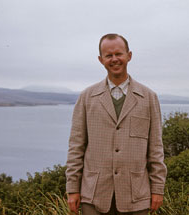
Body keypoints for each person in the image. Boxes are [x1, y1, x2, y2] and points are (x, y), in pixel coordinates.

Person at [66, 33, 167, 215]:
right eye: (108, 55)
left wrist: (158, 189)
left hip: (137, 196)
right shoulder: (87, 98)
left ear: (129, 55)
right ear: (100, 60)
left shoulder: (149, 98)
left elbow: (156, 148)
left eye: (119, 54)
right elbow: (76, 147)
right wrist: (72, 188)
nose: (114, 59)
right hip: (94, 196)